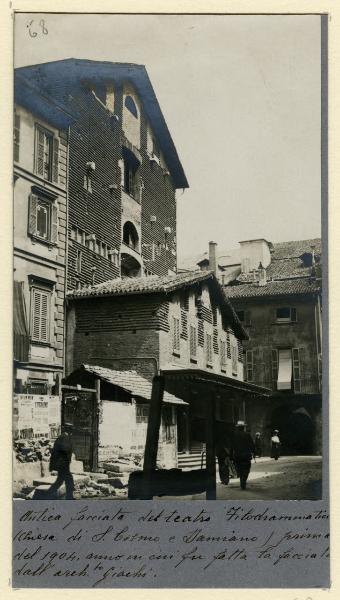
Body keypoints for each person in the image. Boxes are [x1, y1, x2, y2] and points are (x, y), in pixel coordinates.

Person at [48, 430, 74, 499]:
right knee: (69, 479)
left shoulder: (62, 437)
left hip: (62, 463)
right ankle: (69, 497)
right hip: (62, 463)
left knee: (60, 480)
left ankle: (49, 493)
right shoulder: (64, 437)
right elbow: (65, 450)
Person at [231, 421, 255, 490]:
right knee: (246, 469)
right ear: (243, 427)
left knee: (239, 469)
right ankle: (243, 480)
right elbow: (252, 445)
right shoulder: (247, 435)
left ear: (238, 428)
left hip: (237, 456)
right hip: (246, 456)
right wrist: (253, 451)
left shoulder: (234, 435)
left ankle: (242, 479)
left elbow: (232, 446)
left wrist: (230, 455)